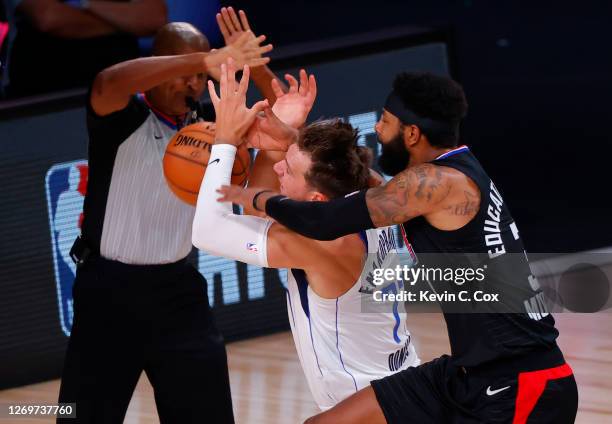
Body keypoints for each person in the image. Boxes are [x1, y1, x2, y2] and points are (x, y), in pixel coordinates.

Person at [219, 72, 578, 423]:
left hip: (521, 383)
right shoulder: (451, 172)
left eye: (386, 122)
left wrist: (257, 198)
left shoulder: (437, 182)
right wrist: (292, 139)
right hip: (470, 374)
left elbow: (325, 219)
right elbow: (359, 184)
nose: (377, 129)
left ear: (411, 133)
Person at [57, 17, 275, 423]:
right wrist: (203, 58)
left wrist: (253, 67)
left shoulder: (212, 124)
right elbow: (108, 81)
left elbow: (281, 119)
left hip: (178, 292)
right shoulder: (122, 118)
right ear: (158, 66)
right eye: (182, 72)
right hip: (109, 292)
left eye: (199, 75)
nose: (192, 83)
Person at [192, 60, 420, 411]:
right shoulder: (378, 198)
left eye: (289, 166)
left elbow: (207, 230)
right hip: (404, 385)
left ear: (316, 201)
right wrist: (280, 138)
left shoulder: (321, 243)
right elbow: (263, 209)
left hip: (372, 406)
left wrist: (224, 140)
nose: (280, 166)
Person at [6, 0, 167, 97]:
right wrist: (127, 22)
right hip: (44, 102)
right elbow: (47, 18)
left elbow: (154, 18)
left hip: (120, 94)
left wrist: (82, 4)